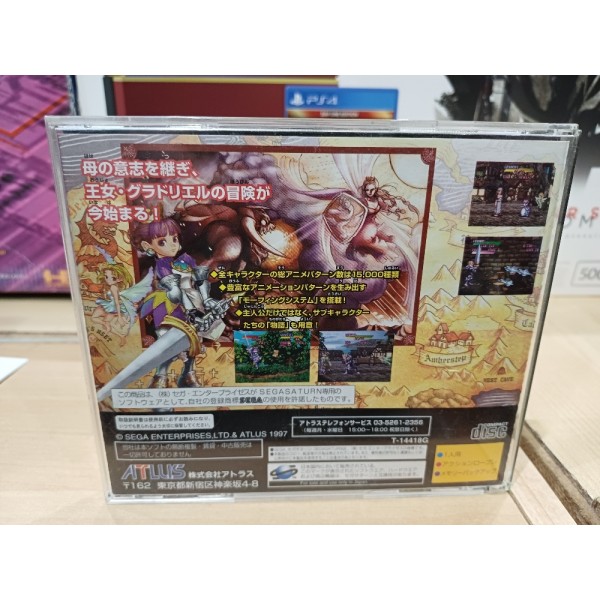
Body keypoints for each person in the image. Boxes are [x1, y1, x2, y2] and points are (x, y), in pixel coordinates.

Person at [133, 218, 225, 389]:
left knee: (193, 343)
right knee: (168, 344)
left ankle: (188, 374)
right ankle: (160, 376)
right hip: (169, 309)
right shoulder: (161, 266)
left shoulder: (185, 260)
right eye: (162, 242)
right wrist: (191, 307)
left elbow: (200, 280)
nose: (172, 245)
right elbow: (174, 293)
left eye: (174, 239)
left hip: (192, 304)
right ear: (147, 246)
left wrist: (206, 300)